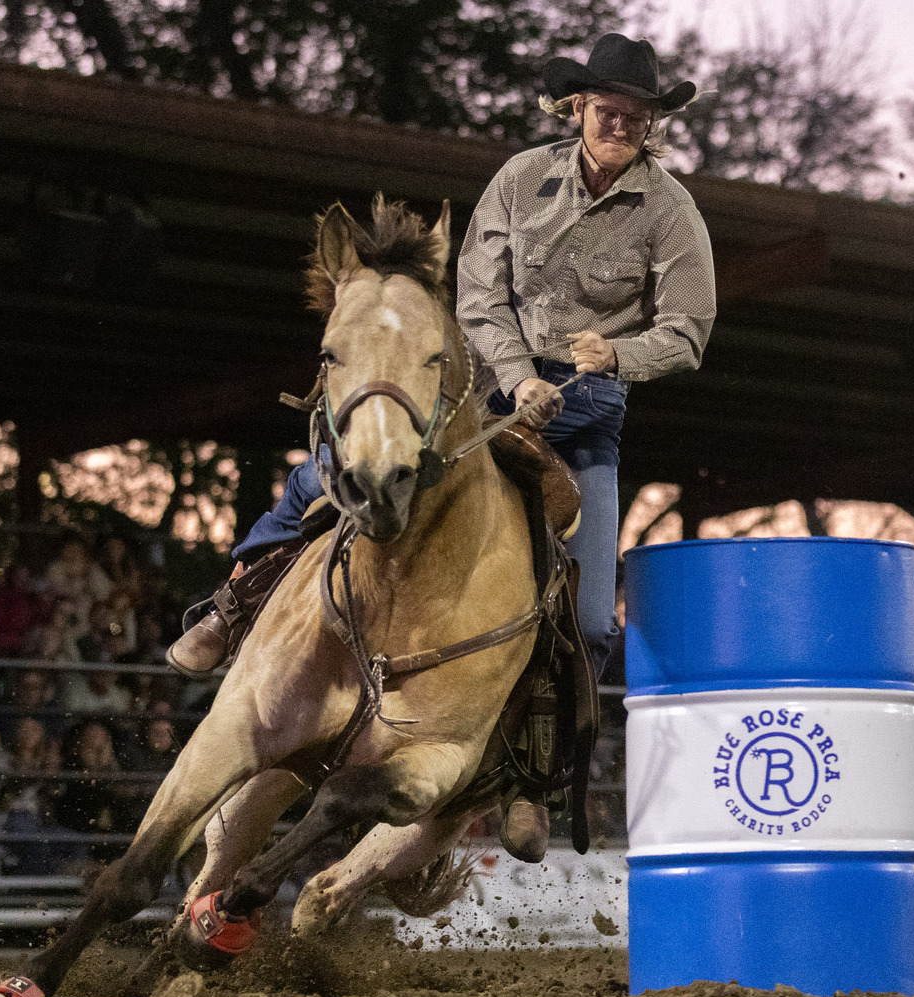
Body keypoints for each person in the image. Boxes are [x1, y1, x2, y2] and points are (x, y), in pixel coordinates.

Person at [164, 34, 712, 861]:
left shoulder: (671, 211)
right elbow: (479, 294)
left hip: (588, 417)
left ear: (651, 123)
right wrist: (520, 376)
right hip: (482, 395)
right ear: (577, 109)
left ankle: (530, 778)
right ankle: (228, 607)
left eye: (637, 115)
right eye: (609, 111)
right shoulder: (521, 180)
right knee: (325, 476)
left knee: (594, 618)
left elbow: (689, 331)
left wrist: (621, 355)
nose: (622, 125)